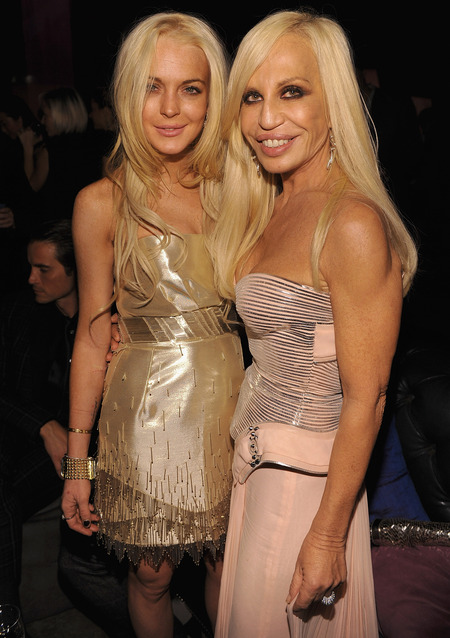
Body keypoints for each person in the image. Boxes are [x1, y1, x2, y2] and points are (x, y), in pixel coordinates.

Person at [208, 9, 417, 637]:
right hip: (257, 469)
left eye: (292, 92)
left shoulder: (350, 221)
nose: (267, 118)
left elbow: (367, 396)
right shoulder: (275, 202)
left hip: (302, 486)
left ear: (335, 103)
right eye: (252, 97)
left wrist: (326, 534)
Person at [60, 12, 244, 638]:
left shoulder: (241, 187)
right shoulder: (100, 202)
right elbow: (92, 336)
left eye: (190, 88)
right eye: (152, 86)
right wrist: (78, 466)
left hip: (237, 408)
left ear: (212, 98)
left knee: (230, 566)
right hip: (148, 417)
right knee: (151, 577)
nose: (170, 108)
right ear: (126, 93)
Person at [0, 220, 77, 611]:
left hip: (77, 451)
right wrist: (43, 426)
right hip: (16, 433)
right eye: (30, 266)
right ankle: (8, 617)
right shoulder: (18, 312)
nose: (31, 278)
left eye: (43, 269)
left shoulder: (107, 324)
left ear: (77, 270)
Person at [37, 87, 102, 220]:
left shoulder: (50, 150)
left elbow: (30, 192)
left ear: (61, 115)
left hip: (57, 225)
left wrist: (26, 150)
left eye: (45, 115)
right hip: (88, 220)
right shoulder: (96, 144)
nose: (42, 121)